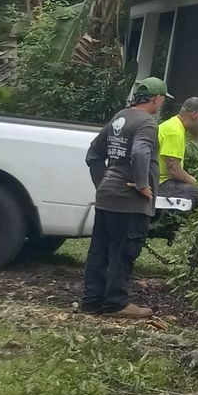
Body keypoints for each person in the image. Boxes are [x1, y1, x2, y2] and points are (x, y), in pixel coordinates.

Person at [81, 77, 165, 318]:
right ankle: (116, 303)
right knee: (123, 251)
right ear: (156, 99)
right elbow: (140, 152)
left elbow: (93, 155)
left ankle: (92, 300)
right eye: (161, 101)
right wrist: (142, 185)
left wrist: (103, 183)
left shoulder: (120, 117)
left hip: (108, 196)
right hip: (129, 201)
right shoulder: (147, 122)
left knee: (100, 250)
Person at [157, 96, 198, 199]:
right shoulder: (174, 132)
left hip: (161, 180)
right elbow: (174, 170)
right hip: (159, 183)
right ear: (195, 114)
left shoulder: (175, 125)